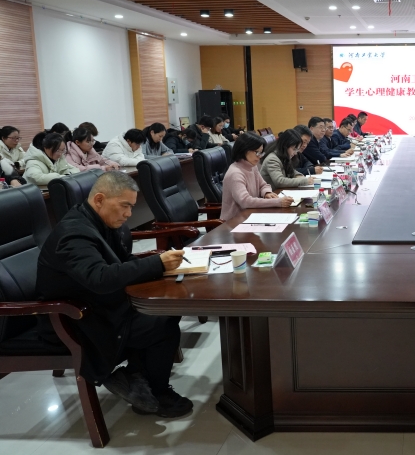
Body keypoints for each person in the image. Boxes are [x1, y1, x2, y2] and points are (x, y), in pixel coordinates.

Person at [36, 171, 193, 417]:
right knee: (161, 322)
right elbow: (99, 278)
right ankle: (156, 392)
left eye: (131, 207)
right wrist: (157, 264)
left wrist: (160, 267)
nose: (129, 214)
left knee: (165, 309)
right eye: (124, 206)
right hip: (74, 320)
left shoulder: (98, 222)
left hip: (98, 307)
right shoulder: (74, 233)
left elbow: (121, 262)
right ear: (99, 199)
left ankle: (137, 379)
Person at [221, 132, 293, 220]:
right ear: (244, 150)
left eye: (261, 153)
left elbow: (263, 185)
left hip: (251, 216)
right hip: (234, 221)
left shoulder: (252, 166)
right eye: (257, 152)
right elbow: (245, 201)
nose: (259, 156)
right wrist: (277, 202)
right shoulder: (235, 173)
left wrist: (267, 193)